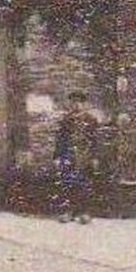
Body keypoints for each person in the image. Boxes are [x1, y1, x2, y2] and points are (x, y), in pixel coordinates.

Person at [52, 90, 99, 223]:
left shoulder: (90, 120)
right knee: (67, 184)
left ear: (84, 104)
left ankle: (84, 213)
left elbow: (95, 140)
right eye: (73, 102)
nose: (76, 105)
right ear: (70, 104)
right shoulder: (66, 120)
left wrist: (95, 157)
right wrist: (57, 156)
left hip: (85, 155)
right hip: (69, 154)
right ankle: (68, 212)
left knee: (84, 185)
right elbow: (60, 139)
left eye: (79, 102)